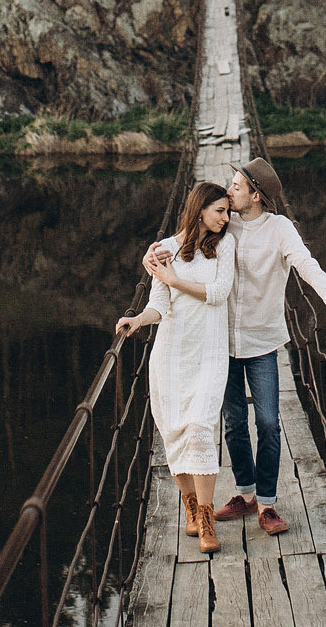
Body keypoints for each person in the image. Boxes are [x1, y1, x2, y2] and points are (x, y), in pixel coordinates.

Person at [157, 156, 326, 538]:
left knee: (267, 422)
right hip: (221, 343)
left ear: (256, 195)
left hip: (263, 342)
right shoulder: (223, 224)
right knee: (233, 423)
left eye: (237, 186)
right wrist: (154, 254)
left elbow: (306, 264)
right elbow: (183, 239)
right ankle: (245, 494)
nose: (229, 190)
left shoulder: (280, 229)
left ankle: (266, 503)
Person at [115, 181, 234, 554]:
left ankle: (207, 520)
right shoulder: (164, 249)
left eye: (228, 211)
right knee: (174, 432)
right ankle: (192, 508)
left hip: (209, 353)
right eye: (220, 211)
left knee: (199, 428)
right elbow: (159, 304)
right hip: (171, 354)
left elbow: (219, 294)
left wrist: (173, 279)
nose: (225, 218)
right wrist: (137, 320)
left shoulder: (225, 246)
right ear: (200, 210)